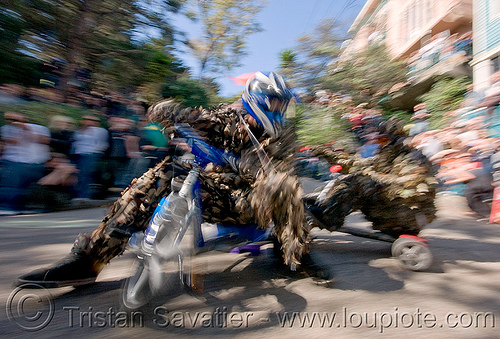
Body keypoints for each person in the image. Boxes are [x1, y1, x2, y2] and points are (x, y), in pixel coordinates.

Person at [16, 72, 310, 287]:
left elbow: (283, 177)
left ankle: (295, 254)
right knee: (165, 172)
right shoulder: (229, 120)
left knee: (283, 186)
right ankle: (89, 260)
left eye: (281, 105)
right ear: (258, 98)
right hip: (221, 197)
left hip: (256, 206)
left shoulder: (283, 137)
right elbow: (199, 119)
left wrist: (248, 167)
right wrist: (169, 111)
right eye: (274, 102)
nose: (279, 110)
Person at [71, 115, 109, 199]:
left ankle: (83, 195)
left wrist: (95, 152)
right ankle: (76, 194)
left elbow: (102, 144)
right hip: (77, 154)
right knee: (77, 175)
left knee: (85, 174)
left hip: (90, 154)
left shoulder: (100, 131)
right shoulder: (79, 130)